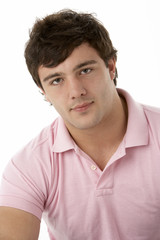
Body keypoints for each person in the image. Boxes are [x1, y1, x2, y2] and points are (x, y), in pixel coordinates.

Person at [0, 9, 160, 240]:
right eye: (57, 80)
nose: (76, 91)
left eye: (85, 70)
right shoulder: (29, 166)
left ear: (111, 67)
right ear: (44, 92)